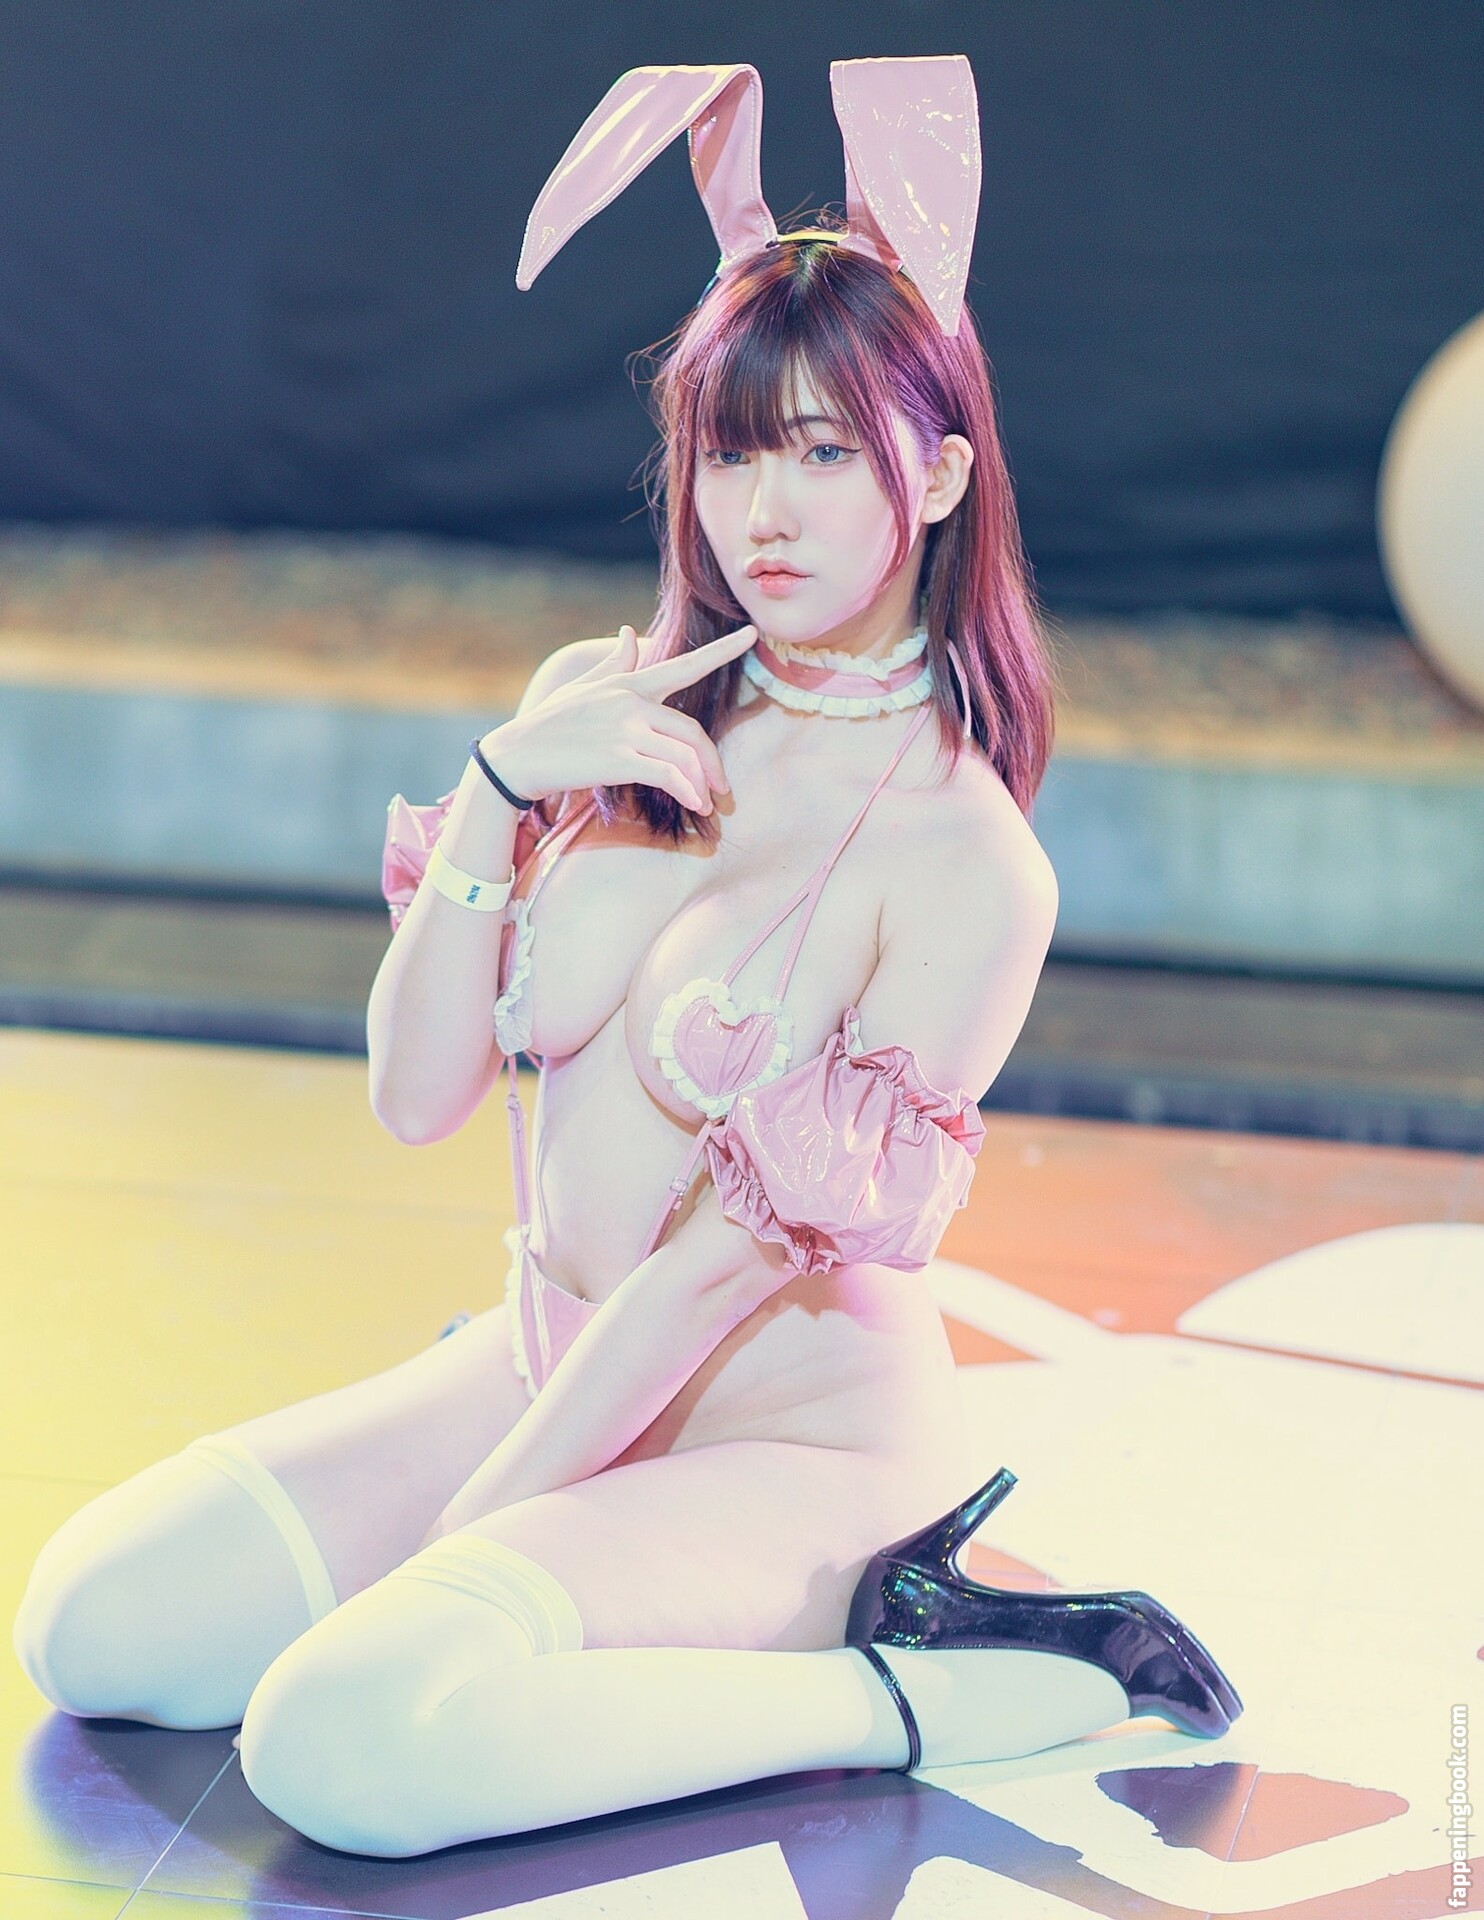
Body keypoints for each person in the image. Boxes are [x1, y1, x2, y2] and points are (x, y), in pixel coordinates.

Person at [12, 57, 1240, 1857]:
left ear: (939, 473)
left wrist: (467, 1534)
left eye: (825, 451)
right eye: (733, 451)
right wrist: (499, 792)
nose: (766, 511)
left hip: (785, 1451)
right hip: (545, 1353)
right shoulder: (610, 708)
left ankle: (927, 1684)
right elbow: (416, 1097)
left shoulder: (970, 864)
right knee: (95, 1626)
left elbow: (708, 1278)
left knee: (341, 1743)